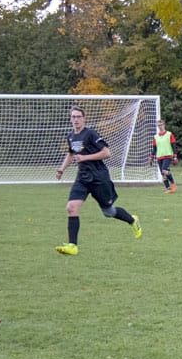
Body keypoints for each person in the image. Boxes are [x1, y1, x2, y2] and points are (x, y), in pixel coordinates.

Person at [55, 106, 142, 256]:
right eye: (73, 117)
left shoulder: (90, 134)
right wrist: (61, 169)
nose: (75, 119)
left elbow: (106, 153)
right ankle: (72, 245)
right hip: (82, 178)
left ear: (84, 118)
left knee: (108, 212)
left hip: (98, 178)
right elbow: (71, 154)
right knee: (71, 207)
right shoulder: (71, 136)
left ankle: (132, 220)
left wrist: (84, 158)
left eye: (78, 117)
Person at [150, 119, 179, 194]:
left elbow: (173, 145)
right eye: (158, 125)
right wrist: (151, 157)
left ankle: (173, 183)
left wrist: (175, 156)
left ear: (164, 125)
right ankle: (168, 189)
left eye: (161, 125)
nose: (160, 126)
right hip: (159, 156)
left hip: (168, 155)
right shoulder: (155, 136)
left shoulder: (169, 134)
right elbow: (154, 148)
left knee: (164, 170)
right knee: (163, 174)